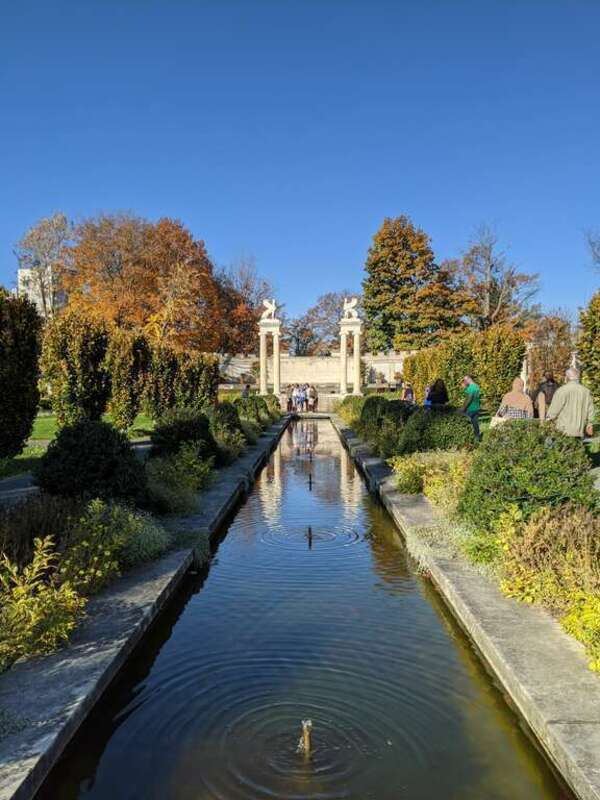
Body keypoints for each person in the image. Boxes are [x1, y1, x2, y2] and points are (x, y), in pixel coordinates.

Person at [546, 367, 595, 438]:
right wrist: (590, 423)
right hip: (579, 431)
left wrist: (547, 420)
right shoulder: (586, 391)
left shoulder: (562, 391)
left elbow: (553, 411)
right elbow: (591, 411)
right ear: (578, 377)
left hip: (563, 431)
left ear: (567, 377)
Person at [462, 375, 481, 441]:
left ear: (469, 379)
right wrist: (465, 388)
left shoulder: (470, 387)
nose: (464, 381)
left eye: (465, 380)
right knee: (475, 423)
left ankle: (466, 439)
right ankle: (477, 438)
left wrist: (464, 408)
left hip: (470, 409)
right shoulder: (477, 386)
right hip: (477, 408)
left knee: (463, 422)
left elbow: (469, 399)